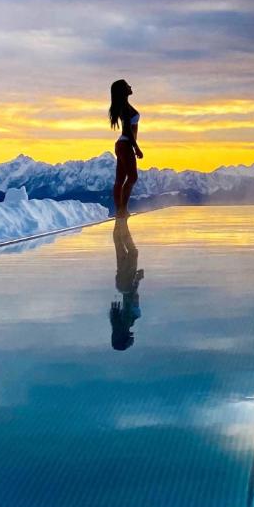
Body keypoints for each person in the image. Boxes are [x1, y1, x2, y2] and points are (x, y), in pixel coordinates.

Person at [109, 79, 143, 218]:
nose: (130, 86)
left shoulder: (124, 106)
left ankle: (120, 210)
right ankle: (123, 210)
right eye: (128, 85)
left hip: (121, 144)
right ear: (124, 90)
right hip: (126, 144)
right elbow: (128, 130)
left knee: (120, 179)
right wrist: (136, 148)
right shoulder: (125, 107)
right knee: (132, 177)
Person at [109, 216, 144, 351]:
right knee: (121, 250)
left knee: (132, 252)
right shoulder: (119, 322)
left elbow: (130, 298)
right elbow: (130, 298)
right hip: (122, 284)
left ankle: (122, 222)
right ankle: (120, 222)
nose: (131, 341)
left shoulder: (128, 320)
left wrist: (137, 279)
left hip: (127, 283)